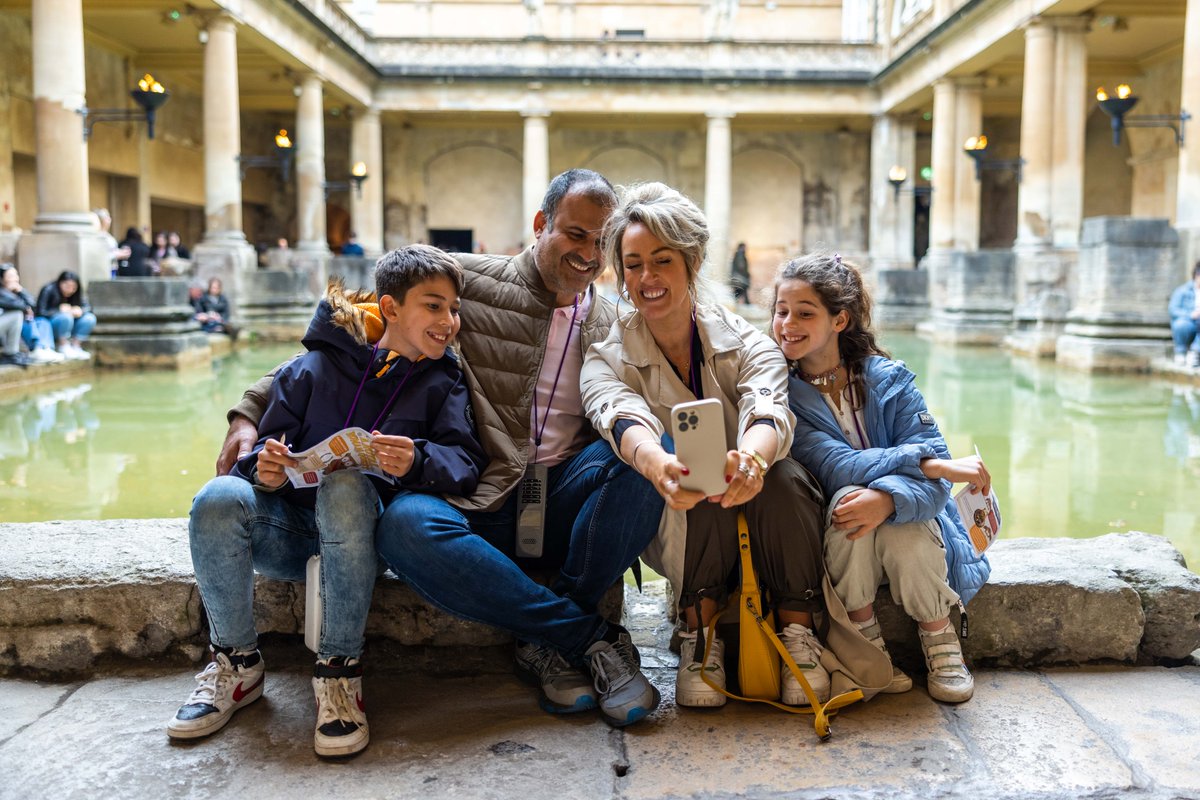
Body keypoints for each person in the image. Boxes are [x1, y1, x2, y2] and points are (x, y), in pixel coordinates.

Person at [215, 169, 665, 728]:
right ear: (540, 224)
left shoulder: (616, 322)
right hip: (484, 502)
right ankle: (583, 638)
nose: (588, 253)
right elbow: (350, 331)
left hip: (565, 494)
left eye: (603, 242)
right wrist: (250, 409)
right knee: (404, 523)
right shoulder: (466, 282)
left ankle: (549, 637)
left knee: (650, 454)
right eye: (575, 234)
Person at [168, 245, 488, 757]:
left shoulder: (443, 381)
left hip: (368, 545)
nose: (450, 321)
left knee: (345, 484)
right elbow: (264, 453)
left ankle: (339, 673)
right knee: (217, 496)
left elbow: (466, 464)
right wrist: (266, 470)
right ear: (389, 308)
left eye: (454, 308)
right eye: (434, 306)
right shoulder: (310, 369)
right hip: (295, 535)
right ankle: (235, 664)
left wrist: (419, 459)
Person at [580, 183, 834, 709]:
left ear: (691, 261)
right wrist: (657, 465)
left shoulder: (748, 341)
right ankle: (700, 633)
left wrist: (754, 460)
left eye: (661, 260)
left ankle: (798, 629)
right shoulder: (606, 356)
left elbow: (769, 406)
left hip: (764, 504)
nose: (646, 278)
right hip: (679, 513)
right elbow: (617, 415)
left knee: (784, 474)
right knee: (694, 474)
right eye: (632, 264)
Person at [772, 252, 992, 704]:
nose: (787, 323)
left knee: (903, 521)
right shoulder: (782, 395)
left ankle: (938, 635)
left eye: (804, 312)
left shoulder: (890, 380)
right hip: (840, 531)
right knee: (851, 498)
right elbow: (834, 466)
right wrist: (929, 462)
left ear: (840, 320)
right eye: (781, 311)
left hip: (911, 530)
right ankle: (866, 644)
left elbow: (933, 494)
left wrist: (891, 500)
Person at [0, 265, 64, 364]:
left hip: (14, 326)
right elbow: (20, 306)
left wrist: (21, 291)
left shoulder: (16, 291)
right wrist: (25, 308)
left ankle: (46, 348)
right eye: (10, 276)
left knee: (42, 321)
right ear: (2, 279)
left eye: (16, 275)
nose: (15, 279)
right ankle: (35, 349)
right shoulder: (2, 292)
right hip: (7, 331)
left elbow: (34, 306)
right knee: (17, 315)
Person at [35, 271, 96, 360]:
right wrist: (58, 310)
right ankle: (63, 345)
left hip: (72, 325)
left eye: (73, 287)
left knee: (90, 318)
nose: (70, 290)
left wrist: (80, 310)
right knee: (66, 317)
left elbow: (88, 308)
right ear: (60, 282)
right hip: (52, 326)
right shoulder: (48, 289)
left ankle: (76, 346)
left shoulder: (77, 293)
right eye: (67, 286)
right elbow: (40, 312)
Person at [1169, 261, 1200, 368]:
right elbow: (1173, 310)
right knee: (1181, 325)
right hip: (1188, 321)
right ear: (1196, 275)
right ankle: (1181, 352)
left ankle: (1195, 351)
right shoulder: (1182, 291)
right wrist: (1190, 314)